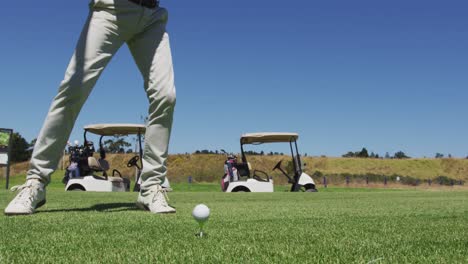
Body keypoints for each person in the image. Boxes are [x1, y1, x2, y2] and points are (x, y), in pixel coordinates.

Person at [4, 0, 176, 215]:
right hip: (111, 11)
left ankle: (151, 187)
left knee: (166, 96)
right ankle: (36, 182)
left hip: (152, 16)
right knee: (73, 89)